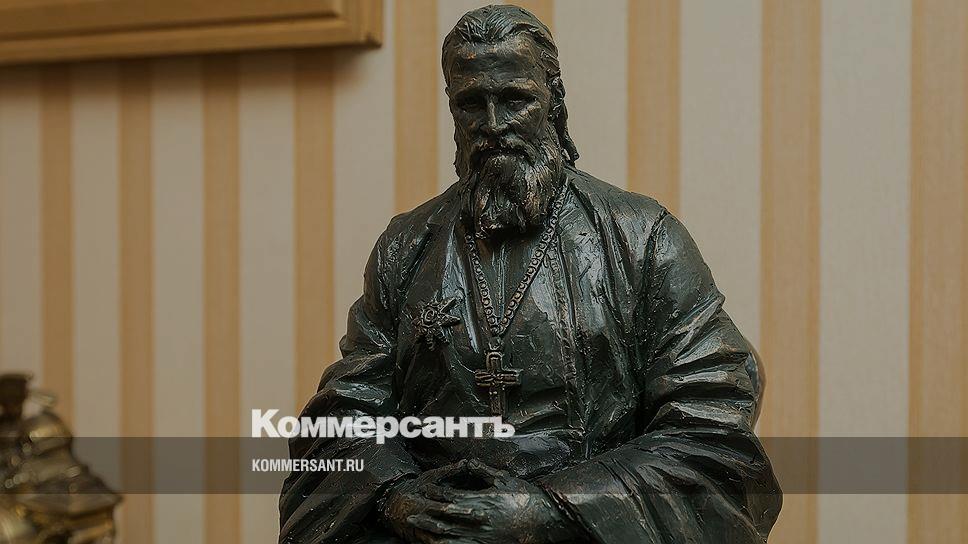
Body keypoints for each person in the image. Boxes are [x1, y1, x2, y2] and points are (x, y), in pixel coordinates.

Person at [280, 5, 781, 543]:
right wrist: (396, 494)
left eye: (515, 99)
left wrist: (551, 510)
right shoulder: (405, 248)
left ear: (554, 101)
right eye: (471, 103)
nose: (494, 125)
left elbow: (710, 424)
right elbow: (344, 417)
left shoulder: (643, 239)